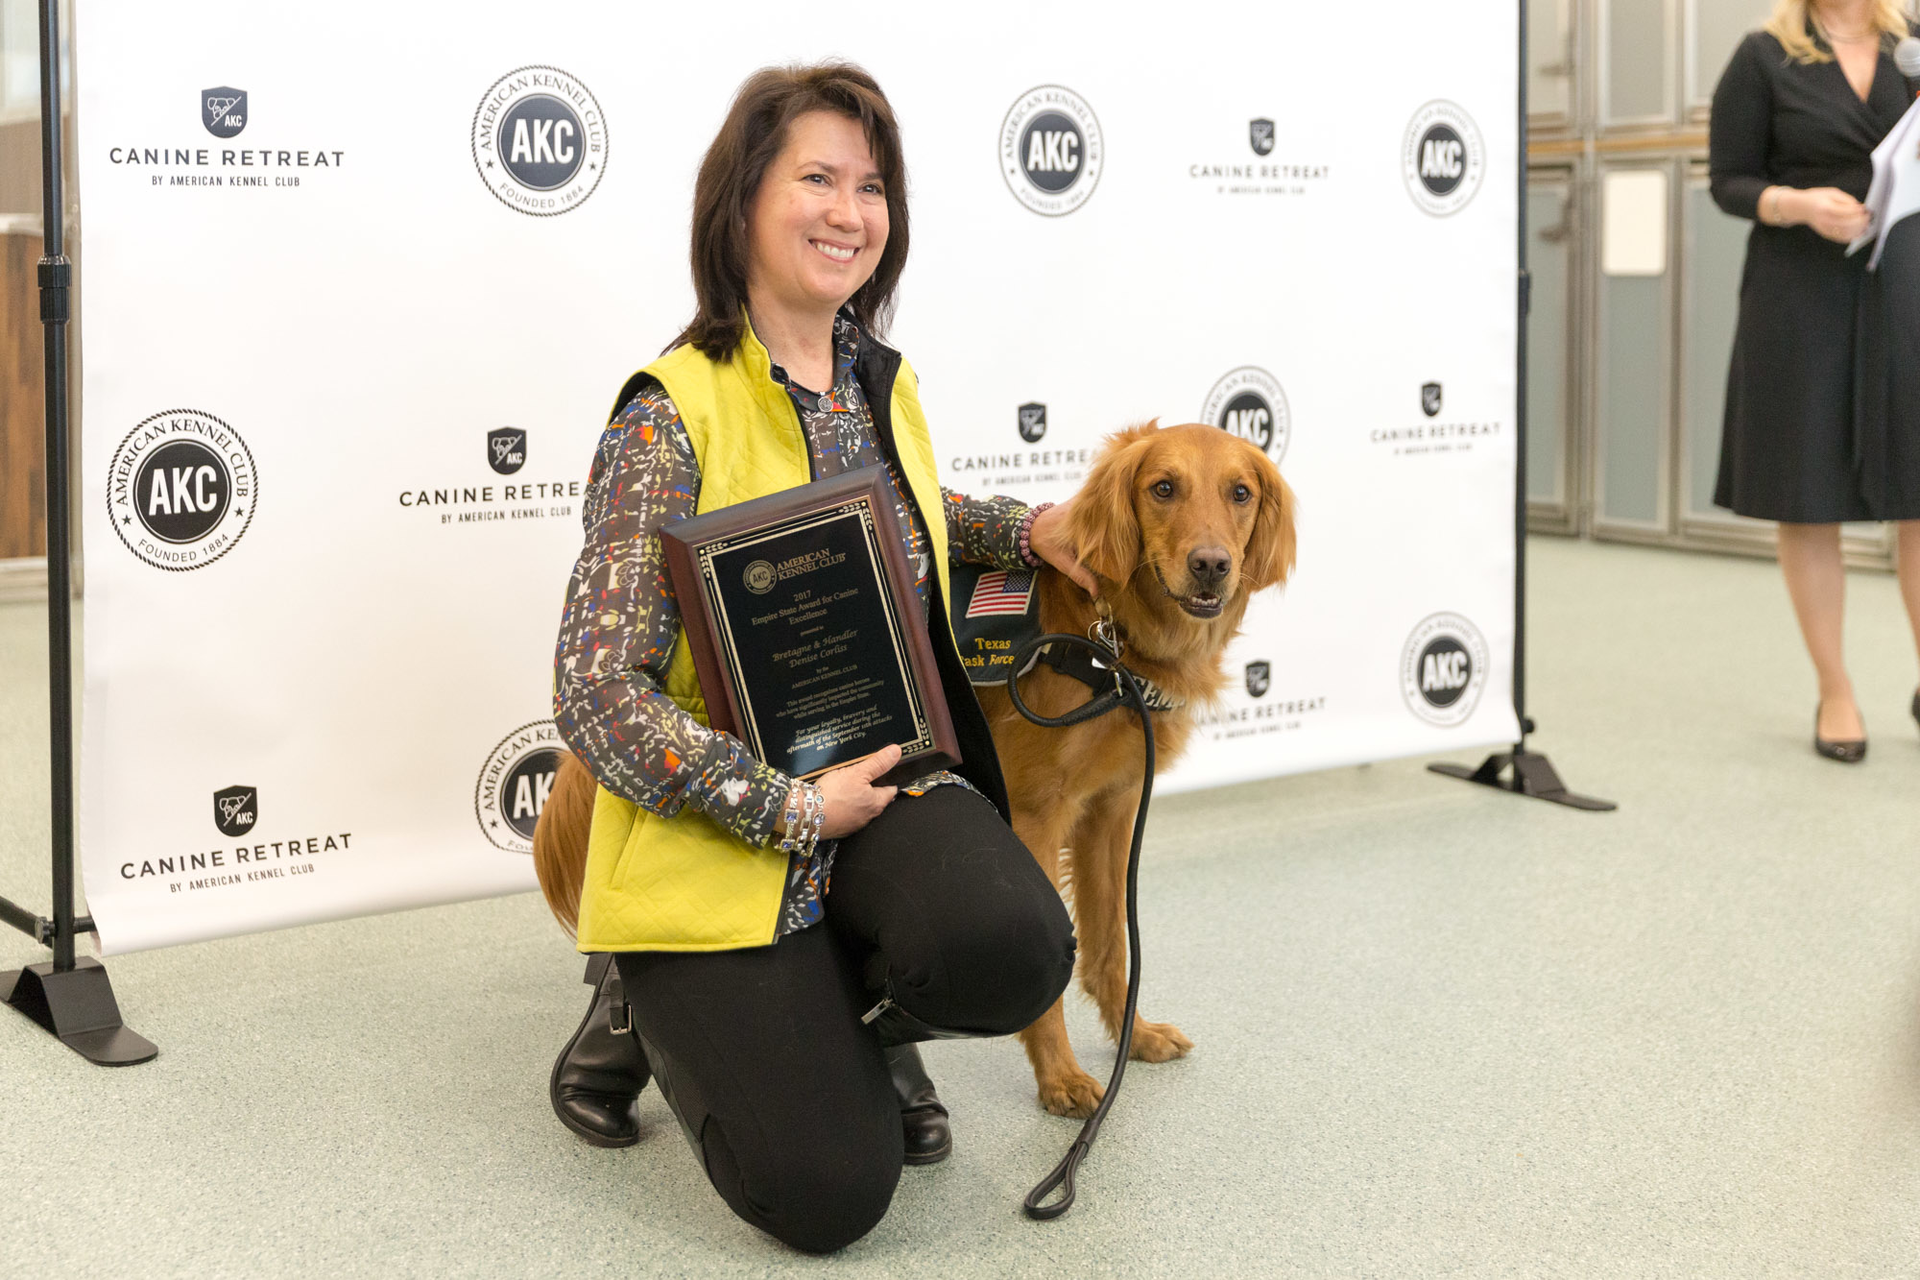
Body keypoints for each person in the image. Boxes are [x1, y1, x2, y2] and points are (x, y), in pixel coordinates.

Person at [545, 63, 1091, 1254]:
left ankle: (848, 997)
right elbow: (593, 690)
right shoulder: (665, 415)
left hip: (876, 769)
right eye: (818, 179)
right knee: (832, 1190)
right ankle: (640, 1002)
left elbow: (902, 516)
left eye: (871, 186)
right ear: (742, 200)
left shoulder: (874, 381)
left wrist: (1027, 527)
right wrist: (790, 805)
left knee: (1017, 945)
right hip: (725, 819)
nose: (851, 210)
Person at [1709, 0, 1920, 762]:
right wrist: (1795, 204)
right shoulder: (1764, 56)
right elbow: (1727, 181)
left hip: (1907, 284)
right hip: (1800, 293)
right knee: (1808, 496)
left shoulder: (1916, 43)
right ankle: (1836, 691)